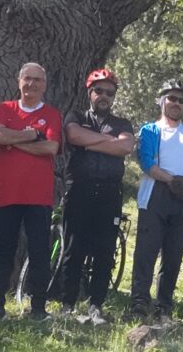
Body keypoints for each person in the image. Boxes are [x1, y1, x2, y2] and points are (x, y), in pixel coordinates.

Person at [58, 67, 137, 324]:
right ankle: (67, 304)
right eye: (99, 91)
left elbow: (125, 146)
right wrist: (107, 141)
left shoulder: (122, 123)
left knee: (105, 251)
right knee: (73, 249)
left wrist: (90, 142)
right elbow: (73, 135)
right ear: (90, 93)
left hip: (109, 192)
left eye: (110, 93)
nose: (104, 96)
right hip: (79, 189)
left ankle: (95, 305)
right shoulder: (76, 116)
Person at [0, 61, 64, 319]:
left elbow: (50, 148)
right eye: (27, 79)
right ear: (19, 82)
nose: (31, 84)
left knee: (39, 251)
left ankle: (38, 308)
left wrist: (14, 141)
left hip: (38, 195)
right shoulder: (6, 108)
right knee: (4, 249)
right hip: (7, 192)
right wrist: (31, 135)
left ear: (45, 85)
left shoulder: (52, 114)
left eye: (37, 80)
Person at [129, 79, 183, 320]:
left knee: (174, 254)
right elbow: (146, 162)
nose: (176, 103)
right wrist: (172, 180)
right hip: (156, 193)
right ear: (161, 100)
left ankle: (164, 304)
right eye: (172, 98)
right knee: (146, 251)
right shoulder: (150, 130)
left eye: (181, 100)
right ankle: (139, 302)